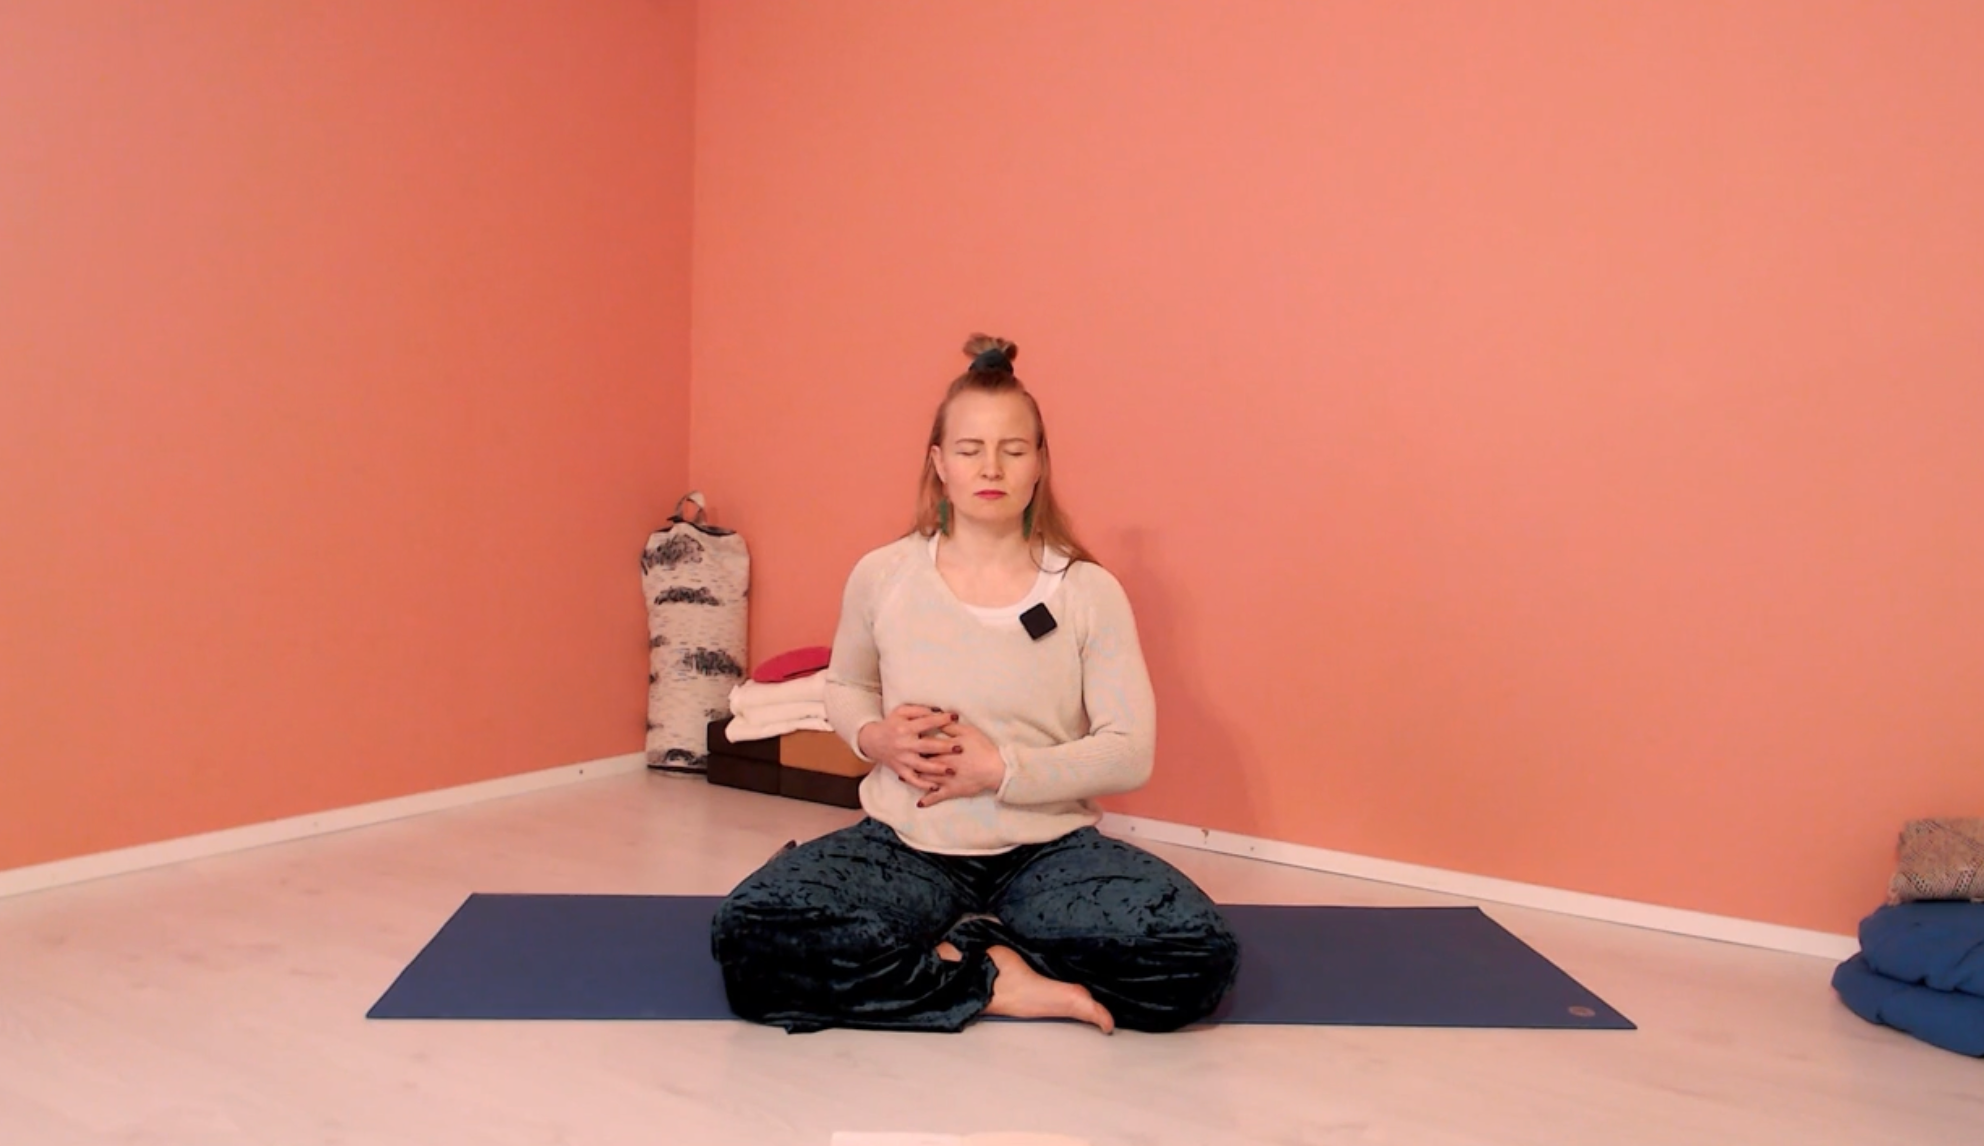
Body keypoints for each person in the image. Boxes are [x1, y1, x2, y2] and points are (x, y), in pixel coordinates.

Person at [709, 334, 1239, 1034]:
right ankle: (993, 980)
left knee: (1196, 956)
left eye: (1013, 450)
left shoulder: (1087, 590)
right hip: (908, 842)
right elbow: (846, 685)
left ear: (1040, 462)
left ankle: (953, 951)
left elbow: (1128, 751)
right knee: (749, 935)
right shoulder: (884, 574)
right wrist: (875, 737)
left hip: (1047, 848)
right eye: (969, 450)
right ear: (939, 463)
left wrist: (1002, 770)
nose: (991, 467)